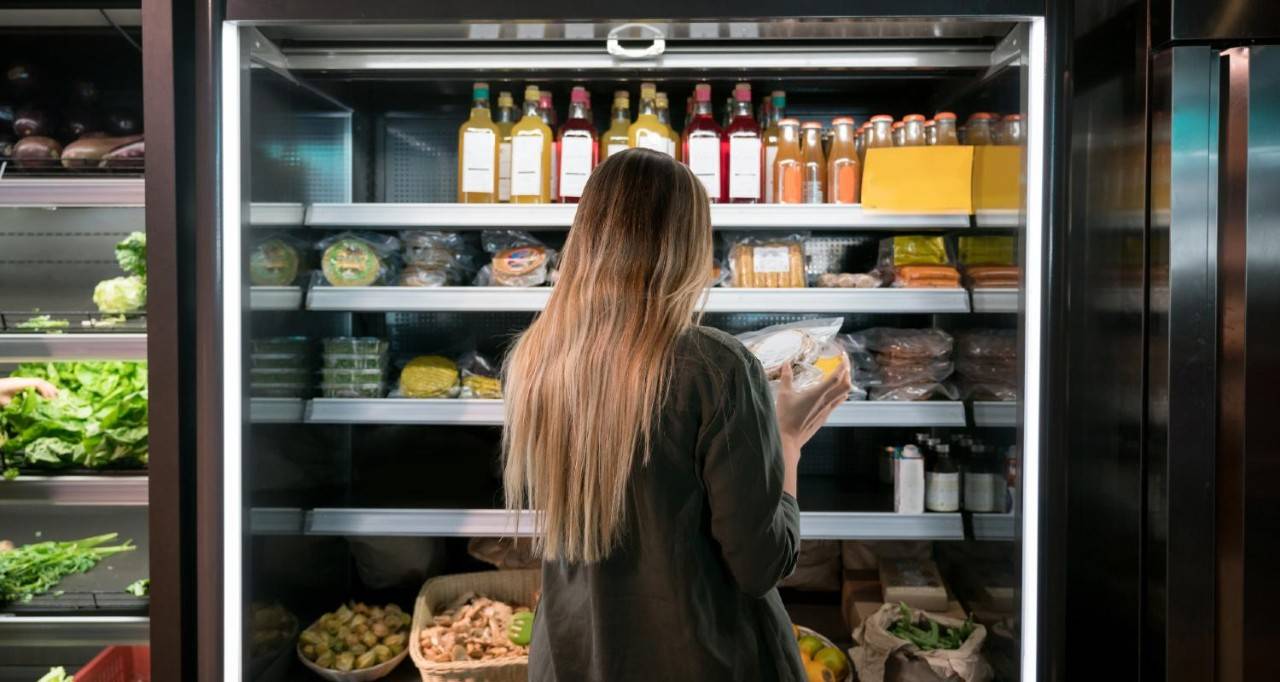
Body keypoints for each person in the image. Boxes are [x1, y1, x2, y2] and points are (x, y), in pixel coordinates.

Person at [502, 148, 852, 681]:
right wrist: (788, 440)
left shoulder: (536, 358)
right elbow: (760, 566)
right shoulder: (716, 366)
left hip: (576, 654)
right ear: (687, 245)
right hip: (701, 657)